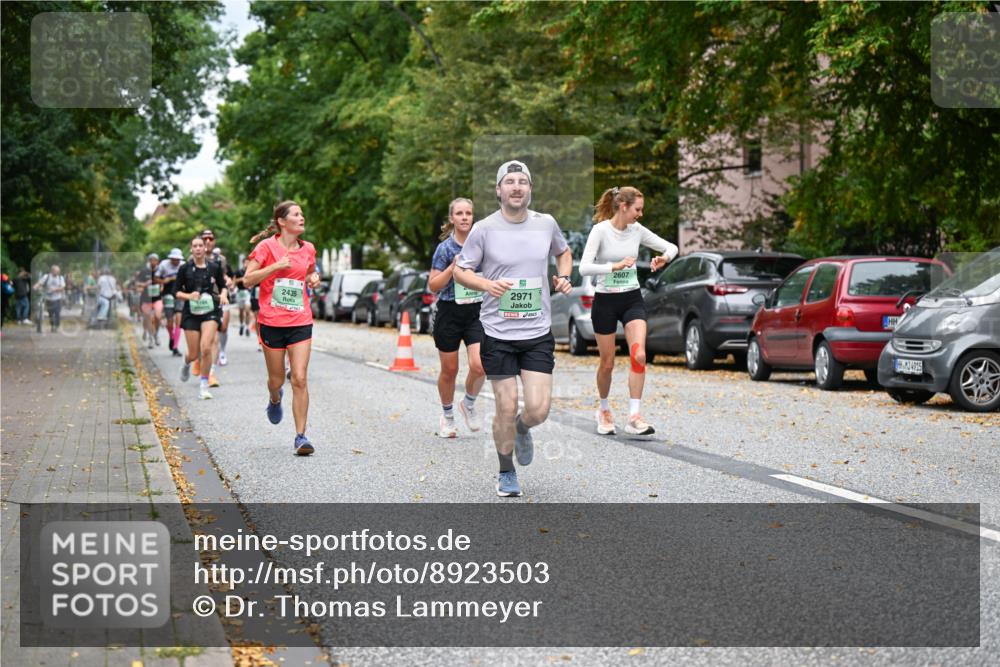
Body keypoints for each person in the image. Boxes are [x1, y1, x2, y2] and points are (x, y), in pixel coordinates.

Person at [454, 160, 573, 497]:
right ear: (498, 190)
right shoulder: (483, 229)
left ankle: (522, 429)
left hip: (536, 333)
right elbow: (461, 271)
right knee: (505, 406)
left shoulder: (546, 224)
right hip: (497, 333)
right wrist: (485, 285)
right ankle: (506, 471)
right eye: (510, 182)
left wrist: (564, 277)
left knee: (538, 409)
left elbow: (564, 253)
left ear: (530, 189)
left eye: (523, 181)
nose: (517, 186)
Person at [579, 186, 678, 436]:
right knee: (608, 363)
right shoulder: (600, 231)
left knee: (639, 355)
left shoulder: (636, 231)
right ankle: (603, 409)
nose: (640, 214)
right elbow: (584, 268)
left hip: (632, 299)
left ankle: (634, 416)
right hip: (606, 302)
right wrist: (614, 266)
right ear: (623, 207)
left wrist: (663, 258)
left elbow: (672, 247)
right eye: (637, 209)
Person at [242, 201, 320, 456]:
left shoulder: (308, 248)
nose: (302, 217)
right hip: (271, 322)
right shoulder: (266, 247)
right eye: (296, 214)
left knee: (299, 377)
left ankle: (301, 436)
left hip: (300, 320)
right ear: (282, 222)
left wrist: (313, 278)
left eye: (302, 213)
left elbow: (308, 272)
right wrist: (275, 267)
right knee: (276, 379)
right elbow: (247, 280)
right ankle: (275, 398)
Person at [428, 197, 486, 438]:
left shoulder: (482, 246)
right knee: (450, 370)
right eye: (459, 213)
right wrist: (452, 268)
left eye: (468, 213)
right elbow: (433, 285)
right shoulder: (445, 249)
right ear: (452, 219)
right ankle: (448, 415)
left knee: (480, 365)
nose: (464, 217)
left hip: (476, 311)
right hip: (450, 312)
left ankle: (469, 404)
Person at [176, 235, 229, 400]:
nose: (198, 248)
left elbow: (223, 286)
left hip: (210, 310)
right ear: (191, 250)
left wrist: (224, 295)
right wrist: (189, 296)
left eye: (201, 245)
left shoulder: (214, 267)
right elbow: (176, 292)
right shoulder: (184, 269)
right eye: (195, 246)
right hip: (191, 312)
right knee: (194, 354)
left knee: (206, 348)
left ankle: (204, 386)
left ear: (205, 249)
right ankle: (186, 363)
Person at [156, 248, 185, 356]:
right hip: (168, 294)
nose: (176, 261)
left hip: (179, 294)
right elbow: (156, 278)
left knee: (178, 319)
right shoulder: (164, 265)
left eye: (178, 259)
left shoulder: (184, 265)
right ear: (170, 258)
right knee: (169, 321)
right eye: (174, 259)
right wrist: (165, 280)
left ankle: (175, 346)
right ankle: (172, 338)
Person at [137, 253, 163, 348]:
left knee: (158, 316)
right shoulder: (144, 271)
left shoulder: (160, 270)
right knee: (148, 318)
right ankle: (151, 338)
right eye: (151, 260)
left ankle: (156, 333)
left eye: (155, 260)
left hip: (157, 298)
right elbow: (137, 283)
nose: (153, 262)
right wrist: (145, 284)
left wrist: (162, 286)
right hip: (146, 298)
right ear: (149, 260)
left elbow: (163, 281)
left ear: (158, 261)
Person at [35, 265, 66, 332]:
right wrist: (35, 287)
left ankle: (56, 326)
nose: (58, 272)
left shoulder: (60, 278)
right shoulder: (47, 277)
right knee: (51, 313)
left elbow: (63, 287)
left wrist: (55, 289)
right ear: (52, 271)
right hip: (48, 298)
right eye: (57, 271)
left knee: (57, 312)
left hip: (58, 298)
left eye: (59, 271)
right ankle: (53, 325)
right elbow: (40, 283)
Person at [234, 257, 253, 337]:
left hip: (247, 293)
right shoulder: (239, 271)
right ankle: (242, 325)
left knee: (247, 310)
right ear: (243, 263)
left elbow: (253, 281)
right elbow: (234, 281)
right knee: (241, 311)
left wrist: (251, 285)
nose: (247, 264)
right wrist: (242, 279)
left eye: (248, 263)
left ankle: (247, 327)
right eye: (245, 263)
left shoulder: (251, 272)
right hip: (240, 292)